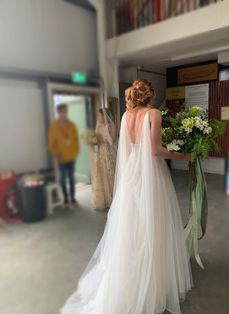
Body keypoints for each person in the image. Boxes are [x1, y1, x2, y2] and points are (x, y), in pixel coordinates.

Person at [61, 80, 192, 314]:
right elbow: (155, 150)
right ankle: (153, 279)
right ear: (149, 95)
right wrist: (185, 156)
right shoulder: (153, 113)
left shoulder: (124, 116)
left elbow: (128, 149)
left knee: (131, 224)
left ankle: (130, 274)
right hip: (151, 173)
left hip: (132, 172)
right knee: (154, 221)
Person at [48, 104, 80, 206]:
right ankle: (66, 198)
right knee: (63, 178)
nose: (64, 113)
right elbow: (51, 143)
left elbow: (76, 140)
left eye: (65, 111)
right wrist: (56, 154)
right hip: (61, 158)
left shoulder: (72, 125)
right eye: (62, 112)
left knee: (71, 178)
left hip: (71, 157)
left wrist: (75, 152)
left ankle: (72, 197)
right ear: (58, 113)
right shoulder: (54, 126)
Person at [88, 108, 116, 210]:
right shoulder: (98, 126)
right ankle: (102, 200)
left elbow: (112, 142)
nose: (98, 118)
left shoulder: (112, 126)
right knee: (100, 176)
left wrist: (107, 130)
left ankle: (111, 199)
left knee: (109, 175)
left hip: (108, 155)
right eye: (98, 116)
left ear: (105, 116)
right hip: (99, 154)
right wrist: (91, 140)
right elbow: (96, 141)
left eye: (100, 116)